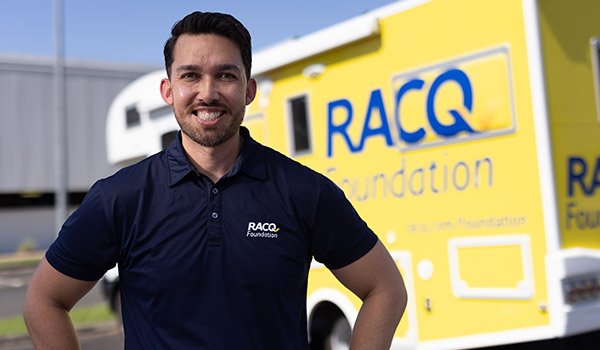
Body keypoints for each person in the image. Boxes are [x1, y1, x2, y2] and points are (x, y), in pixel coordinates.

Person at [23, 11, 407, 349]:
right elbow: (43, 302)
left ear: (248, 90)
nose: (207, 93)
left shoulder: (305, 191)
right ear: (168, 91)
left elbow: (385, 289)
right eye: (191, 75)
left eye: (226, 75)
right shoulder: (120, 198)